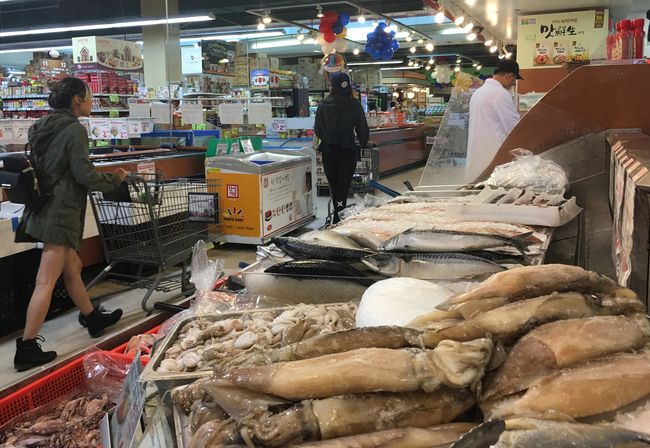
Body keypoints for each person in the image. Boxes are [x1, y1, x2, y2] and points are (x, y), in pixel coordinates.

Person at [14, 77, 129, 372]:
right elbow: (84, 173)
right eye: (90, 97)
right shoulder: (74, 130)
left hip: (44, 205)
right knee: (46, 280)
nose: (92, 102)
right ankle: (27, 347)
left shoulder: (41, 126)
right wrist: (115, 179)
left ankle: (92, 318)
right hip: (62, 212)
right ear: (77, 99)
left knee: (73, 269)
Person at [314, 72, 369, 224]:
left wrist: (327, 137)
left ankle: (336, 217)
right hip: (347, 150)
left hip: (329, 151)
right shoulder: (354, 104)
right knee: (343, 187)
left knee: (334, 186)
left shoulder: (323, 105)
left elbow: (318, 129)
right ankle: (340, 218)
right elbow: (362, 128)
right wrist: (363, 144)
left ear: (332, 85)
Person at [465, 59, 522, 183]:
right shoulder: (500, 94)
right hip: (493, 157)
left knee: (477, 192)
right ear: (509, 76)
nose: (513, 84)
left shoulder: (478, 93)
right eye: (514, 81)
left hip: (477, 156)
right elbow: (514, 128)